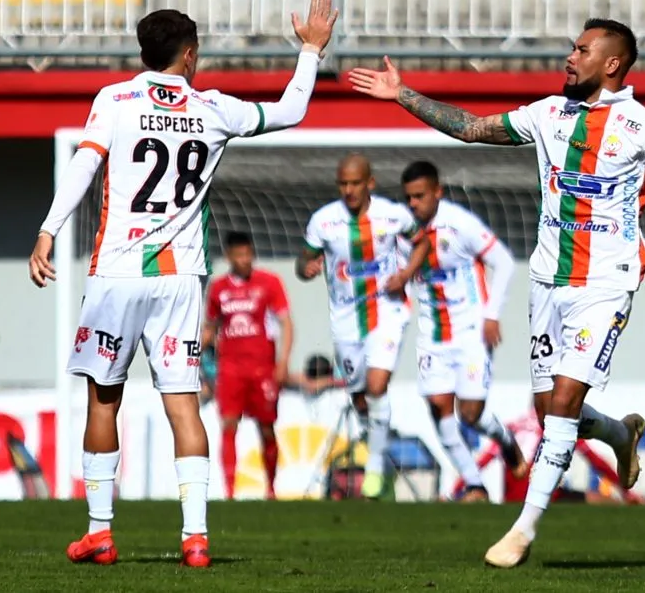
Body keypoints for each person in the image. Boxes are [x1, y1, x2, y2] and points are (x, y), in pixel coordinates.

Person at [349, 18, 645, 567]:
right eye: (572, 48)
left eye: (582, 50)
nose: (570, 57)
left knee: (564, 403)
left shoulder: (642, 126)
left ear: (612, 63)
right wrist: (401, 94)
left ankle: (521, 531)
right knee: (549, 412)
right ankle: (618, 432)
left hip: (605, 283)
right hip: (548, 280)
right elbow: (471, 129)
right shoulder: (547, 114)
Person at [27, 0, 338, 567]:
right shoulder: (215, 108)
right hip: (181, 279)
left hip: (117, 273)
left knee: (104, 400)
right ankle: (195, 538)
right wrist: (311, 50)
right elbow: (291, 111)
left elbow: (85, 163)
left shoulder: (115, 99)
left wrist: (48, 230)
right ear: (189, 55)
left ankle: (100, 532)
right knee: (184, 407)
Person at [296, 154, 430, 500]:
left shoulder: (393, 215)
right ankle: (379, 451)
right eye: (343, 184)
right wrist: (305, 268)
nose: (349, 190)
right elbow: (303, 259)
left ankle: (374, 470)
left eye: (355, 183)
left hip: (387, 311)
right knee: (360, 399)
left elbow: (422, 243)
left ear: (369, 183)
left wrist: (405, 274)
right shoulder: (324, 221)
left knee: (376, 384)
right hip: (345, 320)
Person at [401, 160, 528, 502]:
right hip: (432, 335)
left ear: (437, 193)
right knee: (438, 406)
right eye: (409, 198)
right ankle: (474, 485)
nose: (414, 204)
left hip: (471, 331)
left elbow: (502, 261)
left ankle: (505, 440)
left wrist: (492, 316)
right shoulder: (403, 230)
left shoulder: (460, 224)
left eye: (420, 196)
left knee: (470, 414)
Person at [202, 231, 294, 501]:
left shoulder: (269, 283)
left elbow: (286, 323)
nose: (244, 259)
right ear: (229, 256)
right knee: (229, 423)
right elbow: (211, 327)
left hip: (262, 367)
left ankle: (271, 488)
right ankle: (230, 491)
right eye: (239, 255)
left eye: (248, 254)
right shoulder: (219, 288)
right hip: (230, 367)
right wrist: (193, 352)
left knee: (266, 427)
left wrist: (283, 361)